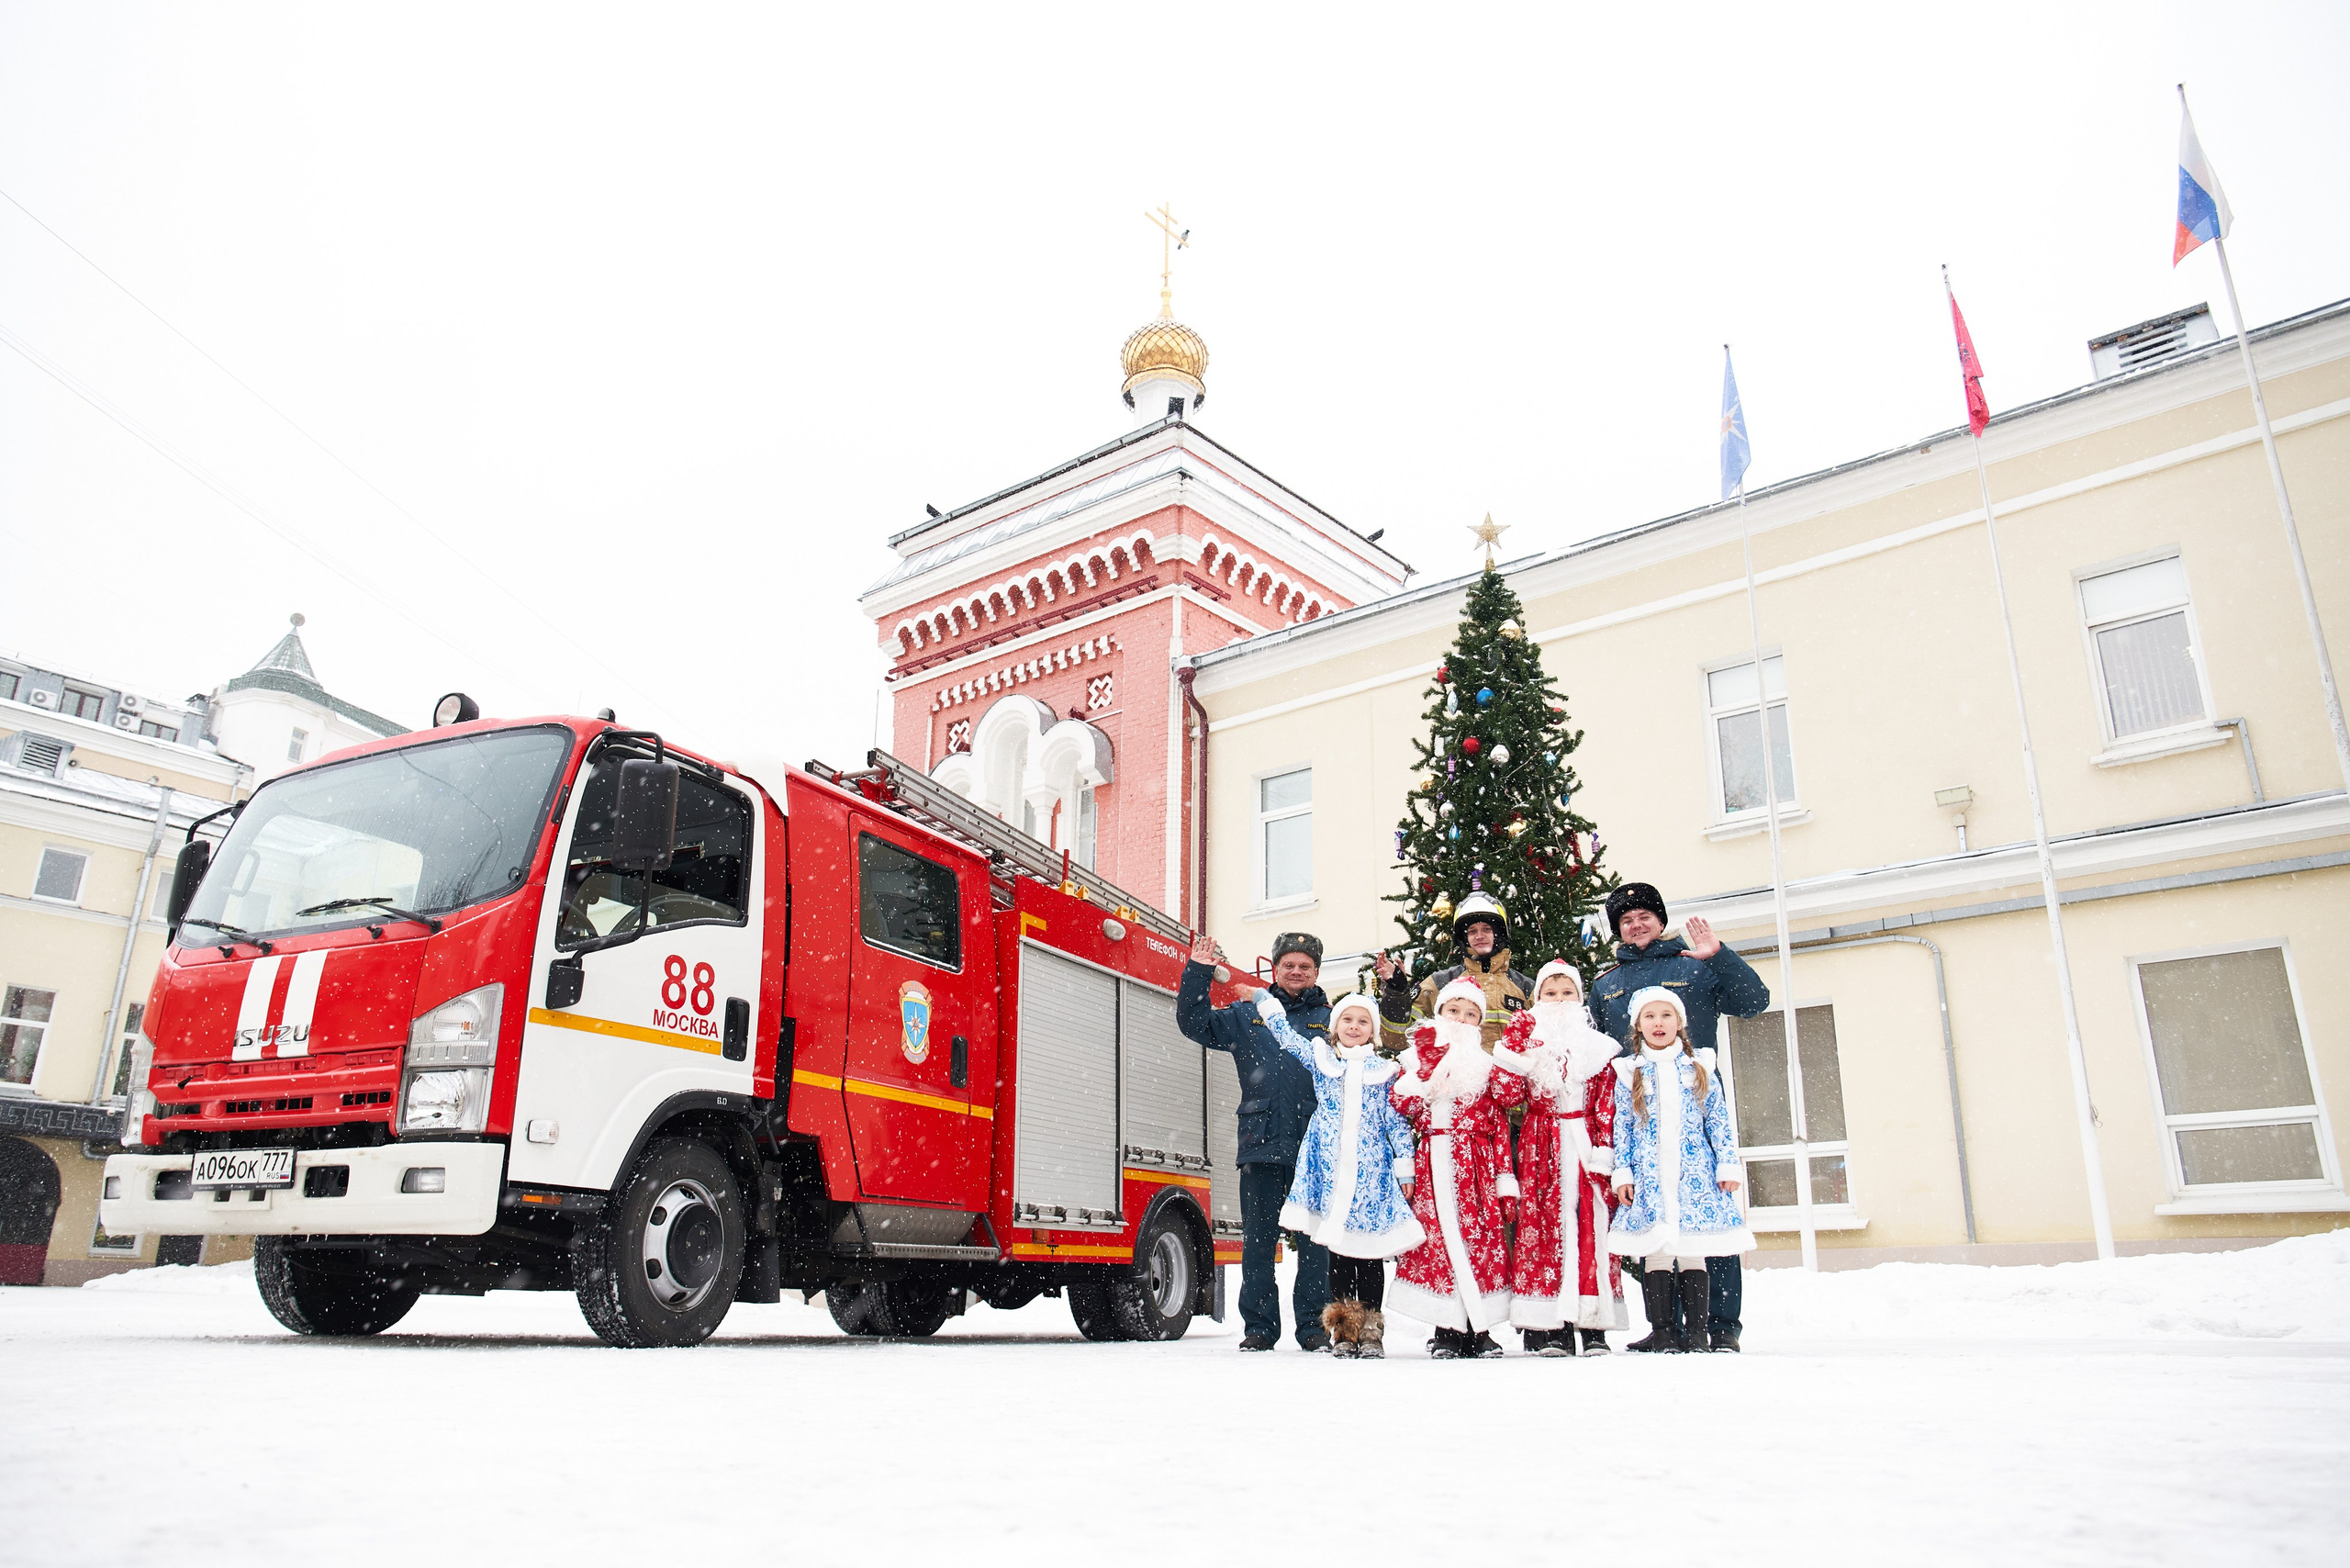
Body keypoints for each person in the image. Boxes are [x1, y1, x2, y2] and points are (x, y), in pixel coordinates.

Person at [1590, 881, 1770, 1352]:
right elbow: (1603, 1054)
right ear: (1619, 930)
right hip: (1641, 1116)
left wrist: (1719, 956)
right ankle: (1667, 1327)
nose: (1637, 924)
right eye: (1626, 919)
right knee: (1651, 1222)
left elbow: (1754, 1003)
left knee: (1712, 1218)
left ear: (1660, 920)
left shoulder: (1694, 965)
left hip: (1696, 1106)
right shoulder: (1605, 986)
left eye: (1645, 915)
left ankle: (1721, 1326)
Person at [1177, 929, 1331, 1352]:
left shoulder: (1332, 1019)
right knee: (1259, 1241)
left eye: (1304, 966)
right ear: (1275, 968)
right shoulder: (1248, 1014)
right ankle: (1260, 1327)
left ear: (1316, 972)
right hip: (1262, 1141)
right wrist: (1198, 971)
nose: (1296, 972)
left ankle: (1313, 1327)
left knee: (1315, 1242)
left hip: (1315, 1147)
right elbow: (1194, 1023)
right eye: (1289, 965)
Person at [1249, 991, 1421, 1359]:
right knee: (1339, 1256)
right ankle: (1343, 1330)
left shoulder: (1385, 1073)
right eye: (1347, 1020)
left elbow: (1397, 1124)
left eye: (1362, 1022)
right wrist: (1267, 1004)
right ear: (1335, 1026)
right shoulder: (1323, 1061)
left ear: (1372, 1031)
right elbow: (1287, 1038)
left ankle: (1372, 1331)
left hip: (1370, 1173)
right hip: (1329, 1168)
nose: (1354, 1027)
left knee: (1370, 1257)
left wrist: (1405, 1167)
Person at [1606, 988, 1752, 1352]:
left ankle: (1698, 1333)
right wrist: (1623, 1171)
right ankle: (1665, 1332)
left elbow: (1717, 1119)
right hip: (1650, 1174)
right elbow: (1621, 1125)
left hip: (1694, 1174)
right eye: (1650, 1016)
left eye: (1666, 1015)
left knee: (1692, 1248)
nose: (1659, 1023)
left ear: (1680, 1023)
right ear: (1638, 1025)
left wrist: (1726, 1163)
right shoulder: (1629, 1072)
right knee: (1656, 1249)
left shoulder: (1699, 1067)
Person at [1388, 978, 1528, 1358]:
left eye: (1471, 1015)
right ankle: (1447, 1329)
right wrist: (1421, 1076)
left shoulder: (1485, 1068)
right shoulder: (1417, 1060)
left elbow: (1500, 1126)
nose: (1462, 1020)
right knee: (1440, 1243)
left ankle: (1478, 1328)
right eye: (1454, 1011)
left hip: (1477, 1167)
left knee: (1479, 1242)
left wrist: (1504, 1181)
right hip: (1434, 1160)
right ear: (1440, 1014)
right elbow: (1405, 1109)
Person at [1503, 959, 1626, 1356]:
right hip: (1541, 1143)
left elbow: (1608, 1104)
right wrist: (1511, 1052)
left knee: (1592, 1231)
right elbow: (1508, 1097)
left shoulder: (1599, 1049)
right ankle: (1548, 1324)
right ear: (1537, 998)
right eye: (1549, 994)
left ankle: (1592, 1325)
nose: (1558, 1001)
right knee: (1542, 1229)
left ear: (1579, 998)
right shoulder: (1528, 1044)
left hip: (1586, 1144)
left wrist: (1604, 1151)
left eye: (1567, 993)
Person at [1374, 894, 1535, 1054]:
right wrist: (1397, 991)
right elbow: (1397, 1041)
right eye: (1472, 931)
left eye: (1487, 929)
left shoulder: (1526, 988)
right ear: (1464, 938)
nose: (1479, 936)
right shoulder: (1440, 983)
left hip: (1509, 1077)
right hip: (1457, 1077)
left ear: (1499, 934)